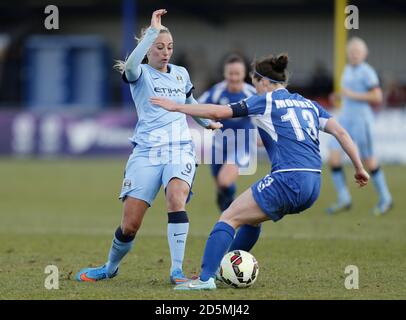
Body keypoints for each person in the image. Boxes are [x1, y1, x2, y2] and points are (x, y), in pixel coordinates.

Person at [150, 53, 370, 290]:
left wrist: (176, 107)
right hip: (314, 183)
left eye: (255, 83)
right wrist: (359, 168)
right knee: (251, 221)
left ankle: (205, 279)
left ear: (263, 81)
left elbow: (218, 112)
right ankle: (225, 266)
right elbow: (342, 133)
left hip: (288, 178)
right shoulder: (309, 104)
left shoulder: (266, 100)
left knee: (229, 216)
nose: (254, 89)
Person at [75, 9, 221, 284]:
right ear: (148, 49)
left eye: (170, 48)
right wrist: (152, 31)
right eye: (159, 47)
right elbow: (129, 65)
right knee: (130, 225)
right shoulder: (139, 72)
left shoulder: (180, 74)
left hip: (180, 148)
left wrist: (207, 124)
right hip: (146, 152)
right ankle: (109, 267)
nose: (166, 52)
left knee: (176, 198)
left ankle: (176, 270)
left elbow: (190, 104)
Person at [327, 37, 392, 215]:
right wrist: (340, 96)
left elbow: (377, 97)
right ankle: (344, 198)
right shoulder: (347, 69)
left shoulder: (367, 72)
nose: (354, 55)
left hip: (362, 121)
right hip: (345, 120)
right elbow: (348, 93)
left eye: (357, 52)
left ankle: (386, 198)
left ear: (365, 54)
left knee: (369, 161)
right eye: (351, 52)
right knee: (333, 157)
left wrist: (352, 94)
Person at [198, 54, 256, 213]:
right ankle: (227, 218)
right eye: (231, 73)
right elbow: (197, 108)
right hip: (219, 146)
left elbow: (265, 115)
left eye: (237, 73)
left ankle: (234, 212)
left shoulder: (252, 94)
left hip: (242, 146)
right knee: (222, 188)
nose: (234, 77)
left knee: (224, 181)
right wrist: (207, 122)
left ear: (244, 74)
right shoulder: (216, 92)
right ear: (225, 74)